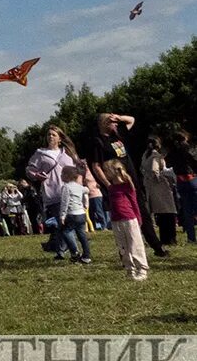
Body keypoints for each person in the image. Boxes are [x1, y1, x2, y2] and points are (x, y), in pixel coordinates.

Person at [86, 113, 167, 257]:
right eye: (112, 122)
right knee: (125, 218)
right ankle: (125, 252)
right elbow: (96, 166)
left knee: (143, 214)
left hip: (131, 182)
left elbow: (132, 120)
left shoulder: (117, 136)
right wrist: (108, 185)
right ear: (104, 123)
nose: (116, 124)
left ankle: (157, 247)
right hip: (117, 186)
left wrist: (118, 117)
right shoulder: (98, 141)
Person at [26, 126, 77, 257]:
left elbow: (75, 170)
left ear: (60, 138)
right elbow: (29, 170)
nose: (50, 137)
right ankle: (65, 249)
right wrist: (36, 175)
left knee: (70, 221)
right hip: (52, 192)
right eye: (48, 134)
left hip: (69, 191)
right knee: (60, 223)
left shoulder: (67, 153)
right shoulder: (40, 154)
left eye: (54, 135)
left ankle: (61, 248)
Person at [104, 162, 148, 280]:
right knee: (123, 246)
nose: (105, 173)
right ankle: (130, 269)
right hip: (116, 220)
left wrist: (138, 218)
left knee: (135, 244)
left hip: (129, 218)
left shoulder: (127, 186)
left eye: (106, 171)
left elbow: (134, 202)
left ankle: (142, 269)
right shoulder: (111, 188)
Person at [141, 133, 179, 247]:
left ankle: (164, 237)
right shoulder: (156, 156)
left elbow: (142, 168)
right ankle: (170, 238)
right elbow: (154, 169)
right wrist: (160, 178)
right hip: (160, 187)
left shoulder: (145, 155)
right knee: (168, 212)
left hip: (149, 185)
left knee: (160, 214)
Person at [57, 165, 92, 264]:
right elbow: (87, 190)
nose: (61, 176)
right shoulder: (80, 187)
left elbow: (65, 202)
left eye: (62, 174)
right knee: (82, 235)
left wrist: (62, 215)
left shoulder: (66, 187)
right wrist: (85, 202)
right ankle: (87, 256)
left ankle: (75, 252)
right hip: (81, 214)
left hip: (71, 214)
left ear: (67, 176)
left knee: (66, 232)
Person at [168, 130, 197, 243]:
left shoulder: (172, 151)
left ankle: (191, 238)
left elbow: (168, 164)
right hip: (192, 179)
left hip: (180, 181)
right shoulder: (188, 149)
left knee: (187, 211)